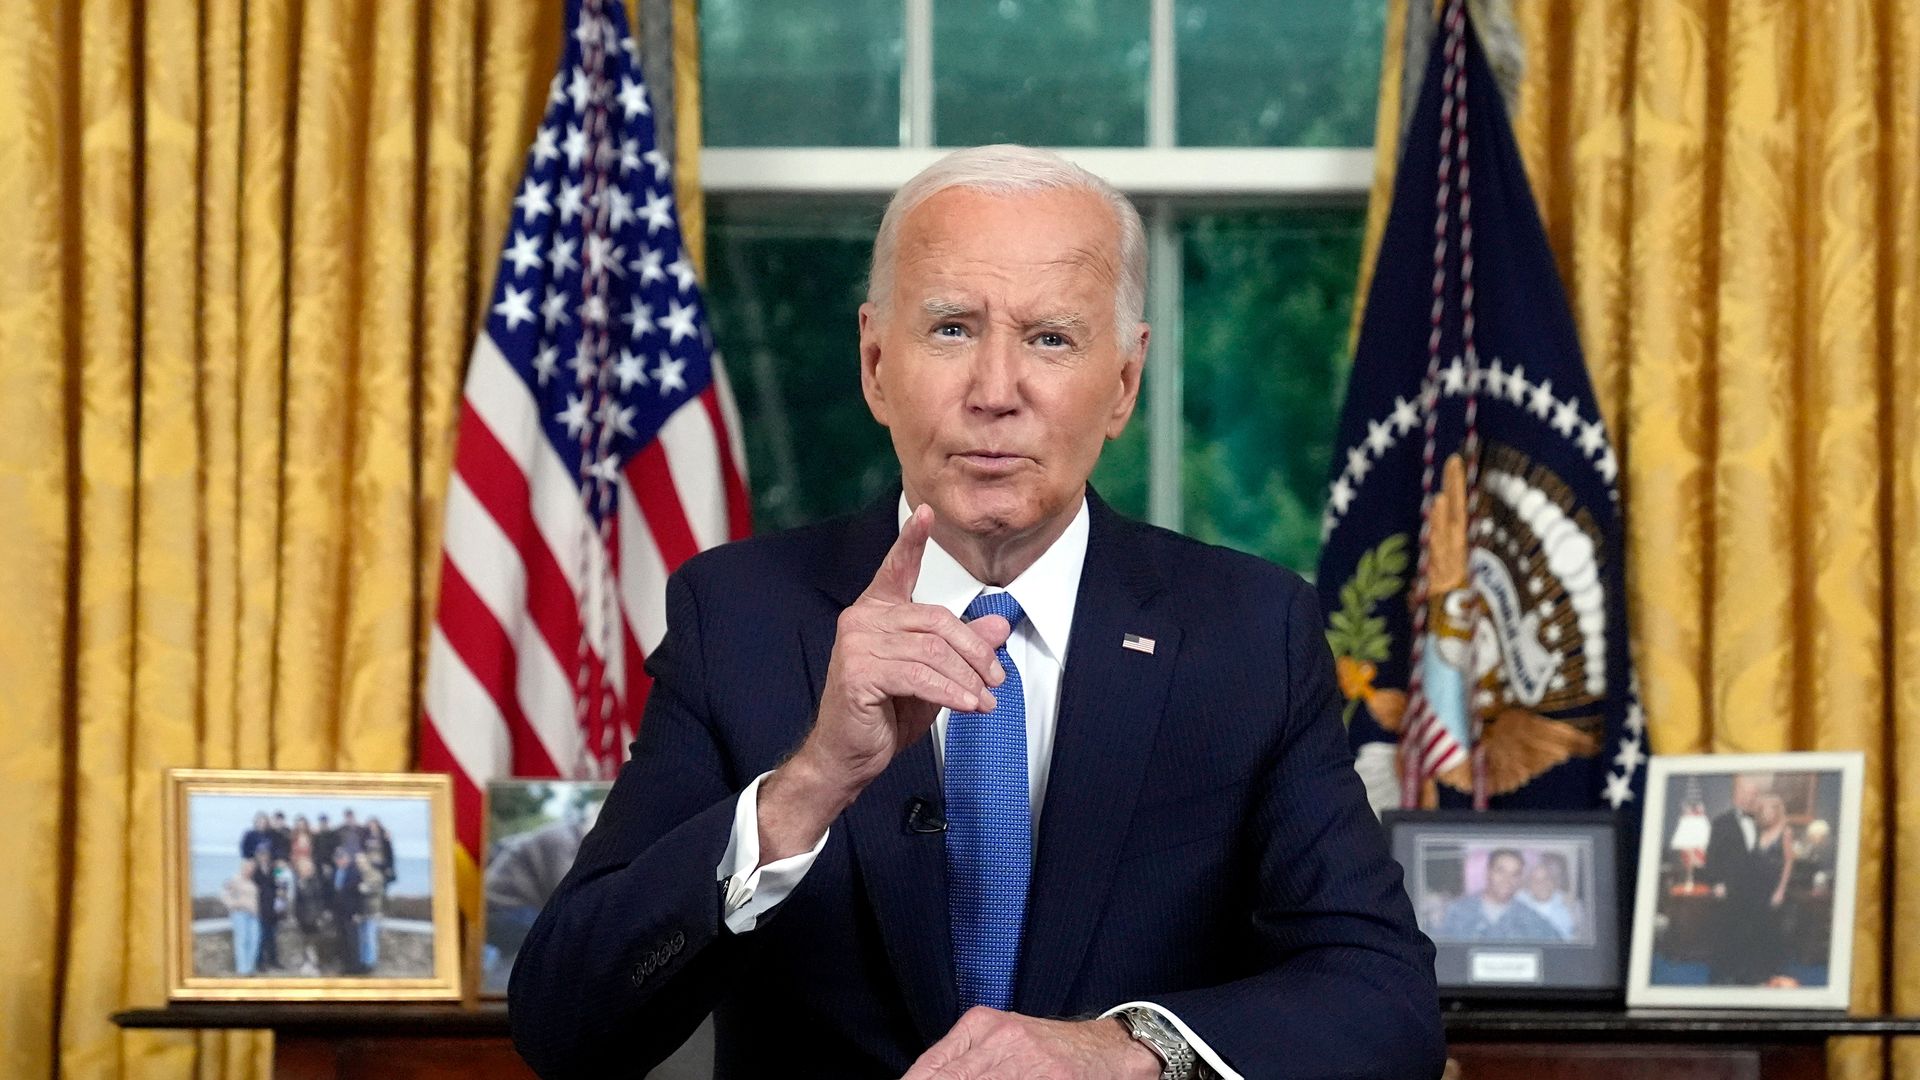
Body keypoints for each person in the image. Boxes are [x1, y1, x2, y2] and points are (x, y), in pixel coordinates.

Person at [508, 145, 1443, 1080]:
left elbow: (1384, 1003)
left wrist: (1124, 1052)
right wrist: (811, 784)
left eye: (1051, 339)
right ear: (877, 364)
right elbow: (564, 1022)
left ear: (1123, 382)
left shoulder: (1250, 633)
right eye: (952, 329)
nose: (996, 393)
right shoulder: (738, 618)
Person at [1699, 772, 1777, 984]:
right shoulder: (1721, 823)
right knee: (1727, 935)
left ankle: (1749, 976)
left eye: (1754, 795)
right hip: (1731, 892)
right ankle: (1719, 976)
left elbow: (1767, 858)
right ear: (1736, 796)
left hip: (1756, 892)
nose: (1751, 799)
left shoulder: (1763, 823)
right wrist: (1716, 884)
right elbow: (1712, 859)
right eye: (1746, 794)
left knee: (1753, 937)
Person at [1435, 849, 1561, 942]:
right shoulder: (1456, 912)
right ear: (1488, 872)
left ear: (1520, 879)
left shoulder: (1532, 920)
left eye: (1515, 874)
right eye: (1501, 871)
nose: (1507, 879)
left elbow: (1559, 952)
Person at [1750, 791, 1797, 980]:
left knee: (1771, 928)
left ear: (1777, 811)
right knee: (1756, 927)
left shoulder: (1786, 831)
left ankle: (1772, 969)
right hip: (1756, 886)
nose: (1766, 813)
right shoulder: (1760, 831)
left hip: (1773, 886)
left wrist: (1781, 890)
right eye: (1763, 810)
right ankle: (1758, 968)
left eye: (1770, 809)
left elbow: (1789, 862)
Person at [1517, 853, 1582, 940]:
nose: (1542, 884)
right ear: (1529, 886)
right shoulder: (1520, 902)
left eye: (1546, 878)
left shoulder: (1570, 906)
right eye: (1536, 880)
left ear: (1553, 882)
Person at [325, 846, 366, 975]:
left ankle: (355, 967)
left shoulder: (355, 873)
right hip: (338, 913)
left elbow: (360, 895)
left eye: (342, 858)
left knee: (353, 941)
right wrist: (329, 910)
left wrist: (359, 912)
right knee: (342, 941)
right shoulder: (334, 872)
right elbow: (330, 893)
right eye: (338, 858)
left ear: (347, 858)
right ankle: (345, 967)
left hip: (351, 913)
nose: (340, 860)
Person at [221, 860, 260, 976]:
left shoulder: (253, 881)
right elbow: (224, 894)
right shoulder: (235, 879)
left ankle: (250, 967)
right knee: (242, 940)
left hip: (253, 915)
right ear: (243, 868)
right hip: (240, 914)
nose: (249, 870)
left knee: (254, 940)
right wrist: (233, 904)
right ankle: (242, 970)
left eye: (251, 868)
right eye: (247, 868)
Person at [249, 847, 284, 971]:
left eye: (265, 854)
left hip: (273, 906)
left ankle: (273, 961)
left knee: (273, 937)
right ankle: (260, 963)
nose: (263, 857)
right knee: (261, 936)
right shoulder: (254, 870)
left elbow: (281, 885)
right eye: (261, 854)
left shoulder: (276, 869)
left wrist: (280, 904)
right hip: (260, 907)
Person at [355, 851, 386, 972]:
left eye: (362, 862)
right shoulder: (358, 874)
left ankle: (370, 963)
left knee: (370, 937)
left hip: (372, 910)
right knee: (362, 937)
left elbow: (375, 889)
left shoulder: (375, 874)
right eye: (358, 862)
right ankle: (363, 962)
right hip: (361, 910)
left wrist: (365, 888)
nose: (360, 864)